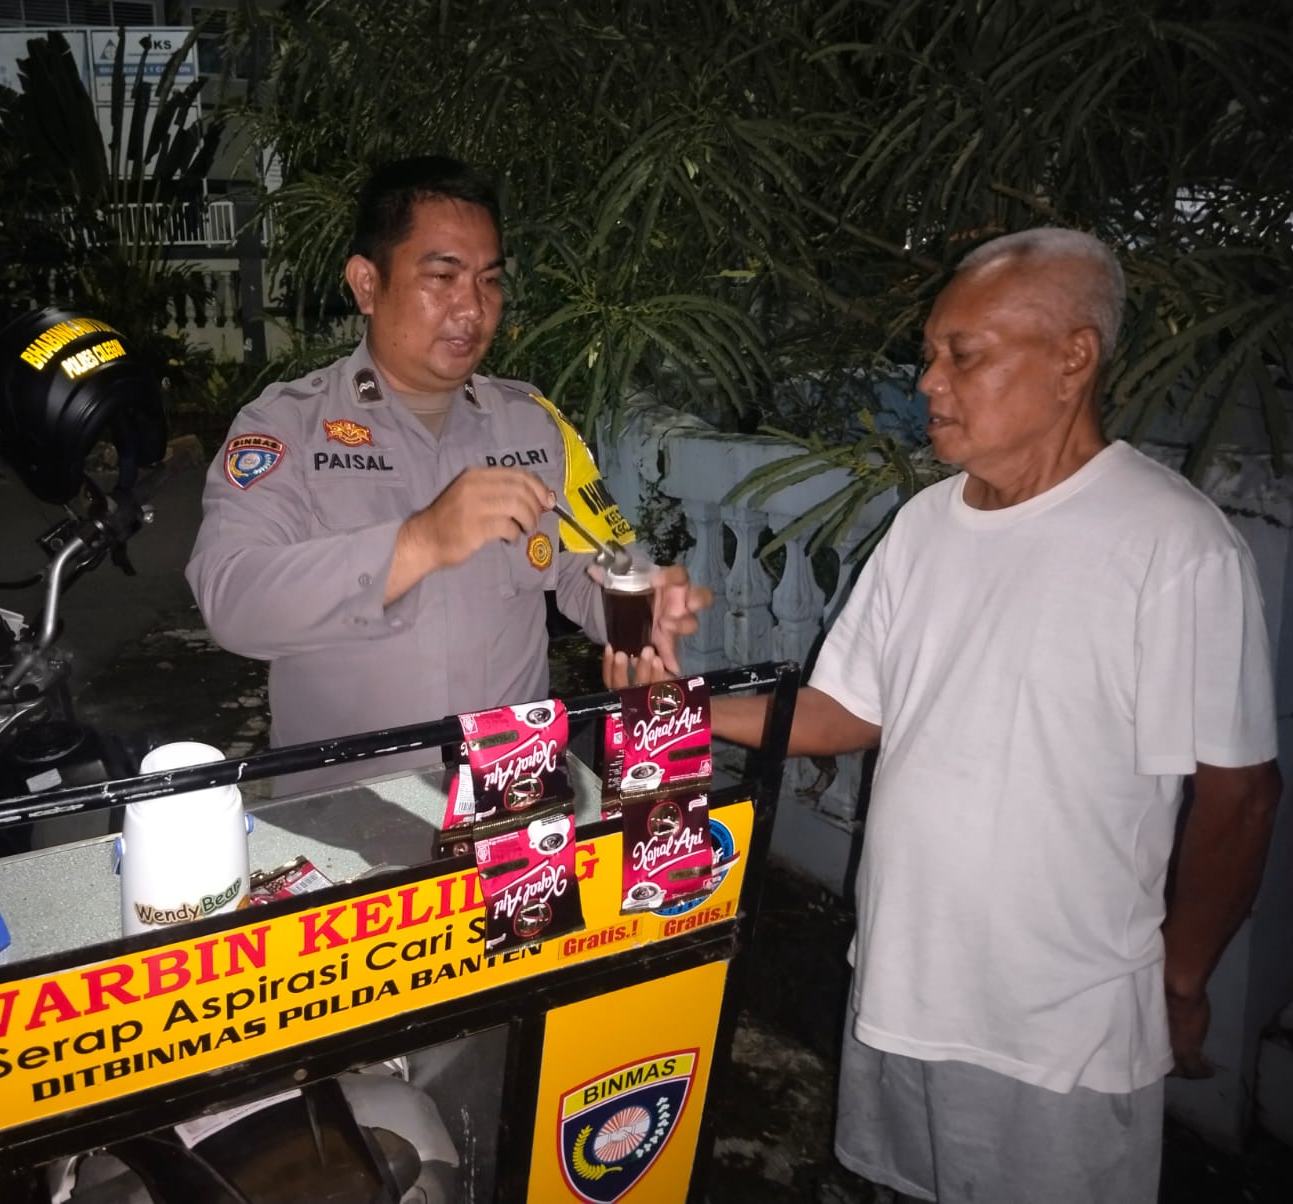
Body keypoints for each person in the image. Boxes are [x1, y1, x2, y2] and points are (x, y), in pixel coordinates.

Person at [607, 229, 1281, 1203]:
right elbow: (846, 710)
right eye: (930, 354)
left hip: (1060, 1029)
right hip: (903, 982)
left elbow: (1240, 794)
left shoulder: (1172, 544)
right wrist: (682, 710)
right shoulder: (925, 524)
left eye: (962, 355)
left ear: (1073, 359)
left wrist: (1181, 982)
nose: (928, 381)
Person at [187, 156, 707, 791]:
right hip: (347, 816)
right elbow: (231, 598)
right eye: (442, 276)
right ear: (367, 284)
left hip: (512, 803)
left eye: (489, 281)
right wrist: (418, 543)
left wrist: (644, 603)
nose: (473, 308)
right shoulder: (286, 427)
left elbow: (592, 559)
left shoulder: (532, 425)